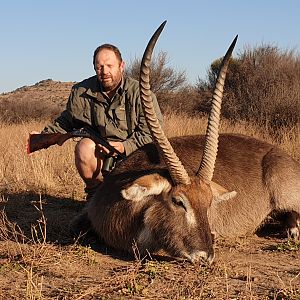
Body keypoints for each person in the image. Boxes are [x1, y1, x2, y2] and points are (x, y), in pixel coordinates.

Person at [36, 43, 163, 200]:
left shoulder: (141, 93)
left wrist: (124, 146)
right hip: (101, 153)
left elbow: (153, 132)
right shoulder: (80, 91)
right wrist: (43, 136)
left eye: (109, 65)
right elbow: (66, 121)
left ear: (121, 66)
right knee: (84, 147)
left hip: (135, 154)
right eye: (99, 67)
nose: (104, 71)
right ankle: (95, 197)